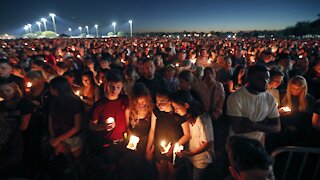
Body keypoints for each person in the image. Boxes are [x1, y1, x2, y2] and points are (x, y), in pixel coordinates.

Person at [89, 70, 128, 179]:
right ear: (106, 84)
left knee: (122, 165)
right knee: (110, 167)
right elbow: (91, 125)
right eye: (111, 86)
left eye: (118, 87)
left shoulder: (124, 100)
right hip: (108, 143)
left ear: (122, 86)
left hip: (123, 141)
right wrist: (103, 127)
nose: (114, 90)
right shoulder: (99, 105)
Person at [227, 65, 281, 144]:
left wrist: (255, 125)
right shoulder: (236, 97)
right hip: (238, 143)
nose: (265, 81)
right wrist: (265, 124)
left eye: (267, 78)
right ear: (249, 79)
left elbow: (277, 128)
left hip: (259, 143)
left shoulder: (269, 97)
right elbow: (237, 128)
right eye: (260, 78)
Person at [146, 87, 190, 180]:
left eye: (162, 102)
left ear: (170, 101)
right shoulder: (156, 112)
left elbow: (187, 135)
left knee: (172, 176)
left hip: (174, 150)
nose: (159, 105)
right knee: (161, 175)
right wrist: (148, 150)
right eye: (157, 102)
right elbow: (152, 130)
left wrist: (173, 148)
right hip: (160, 148)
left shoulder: (178, 114)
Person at [171, 90, 214, 180]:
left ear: (186, 105)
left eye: (177, 108)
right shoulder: (188, 116)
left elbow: (208, 143)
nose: (175, 111)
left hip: (201, 160)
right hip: (191, 157)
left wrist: (190, 153)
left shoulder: (202, 120)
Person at [48, 76, 84, 178]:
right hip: (58, 136)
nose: (49, 90)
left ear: (56, 89)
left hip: (73, 138)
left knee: (76, 161)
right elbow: (50, 119)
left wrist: (57, 139)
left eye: (51, 88)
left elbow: (77, 126)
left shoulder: (75, 102)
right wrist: (53, 137)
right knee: (65, 161)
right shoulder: (54, 100)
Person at [124, 82, 154, 179]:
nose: (142, 105)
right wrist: (131, 141)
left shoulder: (151, 110)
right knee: (135, 164)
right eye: (139, 103)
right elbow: (127, 127)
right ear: (133, 101)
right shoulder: (129, 110)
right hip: (134, 141)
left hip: (147, 140)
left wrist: (148, 148)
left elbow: (152, 130)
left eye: (144, 102)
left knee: (147, 164)